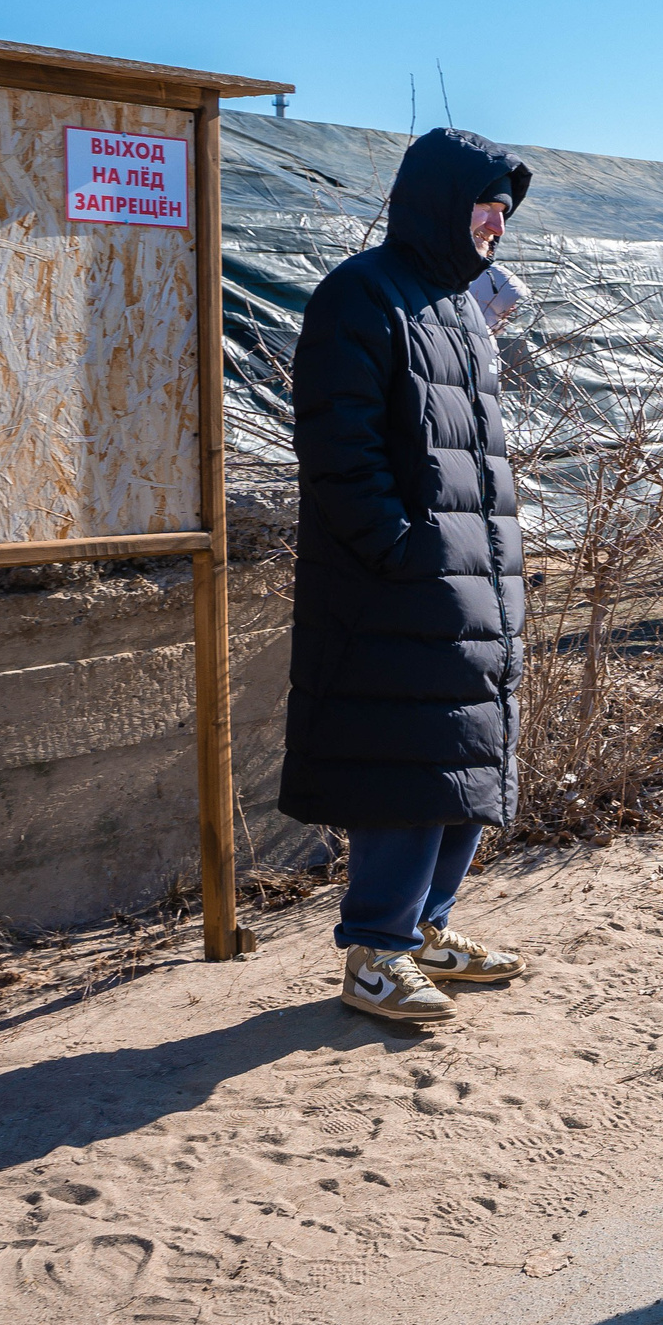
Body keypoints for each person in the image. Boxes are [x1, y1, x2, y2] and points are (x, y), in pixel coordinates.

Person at [283, 128, 532, 1026]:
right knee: (404, 768)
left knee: (461, 761)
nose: (496, 226)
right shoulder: (361, 294)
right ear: (438, 204)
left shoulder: (459, 310)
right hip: (404, 585)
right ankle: (375, 951)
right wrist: (401, 548)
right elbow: (338, 445)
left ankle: (426, 929)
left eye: (503, 212)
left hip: (472, 582)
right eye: (484, 208)